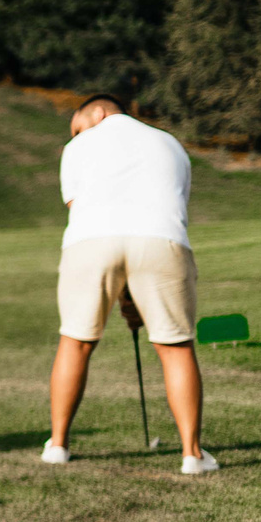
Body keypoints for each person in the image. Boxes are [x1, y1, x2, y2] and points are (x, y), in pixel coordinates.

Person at [44, 95, 215, 473]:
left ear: (99, 113)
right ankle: (192, 455)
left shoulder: (77, 147)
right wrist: (131, 294)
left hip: (90, 243)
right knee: (176, 347)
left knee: (76, 340)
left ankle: (58, 445)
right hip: (162, 240)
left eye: (76, 125)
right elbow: (174, 208)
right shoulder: (170, 142)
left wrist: (123, 291)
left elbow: (81, 209)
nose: (74, 134)